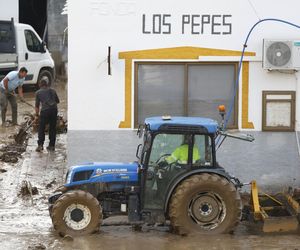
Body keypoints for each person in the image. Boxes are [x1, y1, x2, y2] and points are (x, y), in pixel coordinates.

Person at [35, 77, 60, 152]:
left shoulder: (38, 92)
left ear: (40, 85)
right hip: (54, 110)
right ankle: (52, 146)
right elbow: (57, 101)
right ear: (47, 84)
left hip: (45, 111)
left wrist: (36, 115)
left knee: (41, 128)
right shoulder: (53, 90)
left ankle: (40, 145)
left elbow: (37, 106)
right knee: (52, 128)